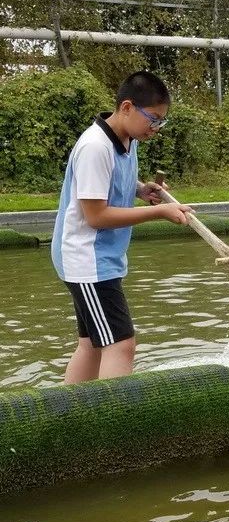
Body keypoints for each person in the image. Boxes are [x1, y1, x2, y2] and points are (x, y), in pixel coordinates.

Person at [52, 71, 193, 384]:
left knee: (91, 345)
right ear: (127, 107)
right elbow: (96, 215)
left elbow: (111, 184)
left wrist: (140, 190)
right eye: (153, 119)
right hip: (87, 259)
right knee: (122, 345)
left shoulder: (126, 140)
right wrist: (159, 212)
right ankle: (112, 422)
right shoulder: (95, 147)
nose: (155, 128)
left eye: (161, 121)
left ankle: (70, 414)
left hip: (98, 257)